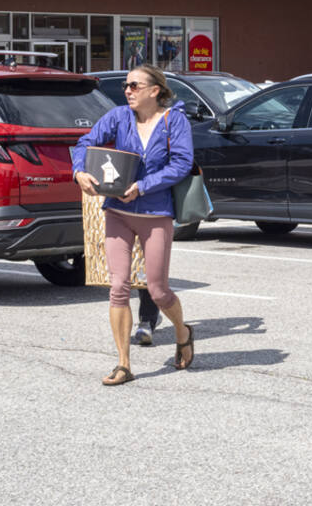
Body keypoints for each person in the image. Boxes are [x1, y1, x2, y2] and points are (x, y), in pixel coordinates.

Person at [72, 63, 196, 385]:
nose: (127, 90)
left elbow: (181, 163)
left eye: (134, 85)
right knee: (118, 287)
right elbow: (85, 142)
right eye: (126, 85)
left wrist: (144, 185)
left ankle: (183, 333)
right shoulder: (117, 117)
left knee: (157, 290)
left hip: (155, 214)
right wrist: (79, 171)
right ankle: (124, 364)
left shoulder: (174, 121)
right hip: (117, 212)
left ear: (155, 90)